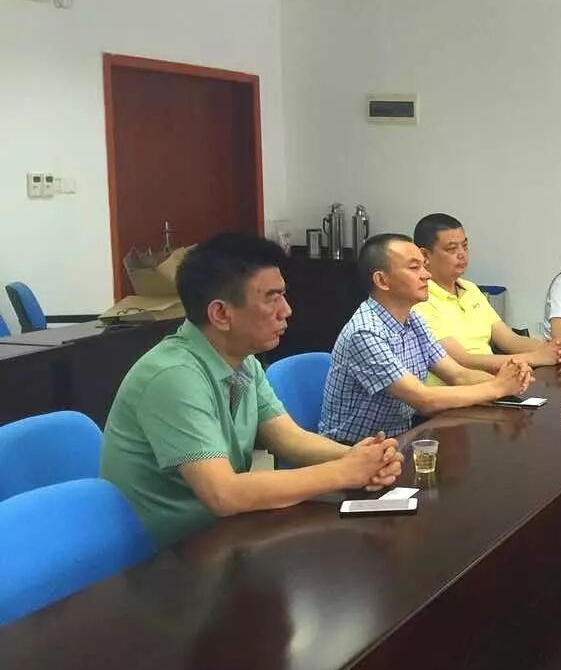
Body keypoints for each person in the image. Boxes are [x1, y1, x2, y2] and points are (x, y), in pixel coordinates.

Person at [100, 233, 402, 549]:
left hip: (223, 537)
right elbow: (224, 494)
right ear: (221, 314)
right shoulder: (173, 375)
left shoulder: (242, 361)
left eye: (283, 295)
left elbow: (290, 439)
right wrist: (344, 472)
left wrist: (363, 458)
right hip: (166, 556)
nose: (286, 310)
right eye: (272, 298)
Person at [319, 233, 532, 444]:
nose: (426, 275)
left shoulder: (414, 320)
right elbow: (423, 399)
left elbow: (457, 375)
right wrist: (497, 388)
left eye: (424, 266)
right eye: (414, 268)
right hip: (352, 449)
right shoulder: (365, 332)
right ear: (382, 280)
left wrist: (510, 380)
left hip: (399, 439)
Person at [412, 213, 561, 381]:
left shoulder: (470, 289)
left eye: (465, 246)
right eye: (452, 249)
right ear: (425, 256)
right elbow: (462, 360)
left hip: (493, 382)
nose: (462, 254)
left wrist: (553, 349)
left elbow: (509, 340)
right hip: (458, 390)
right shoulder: (419, 300)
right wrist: (535, 357)